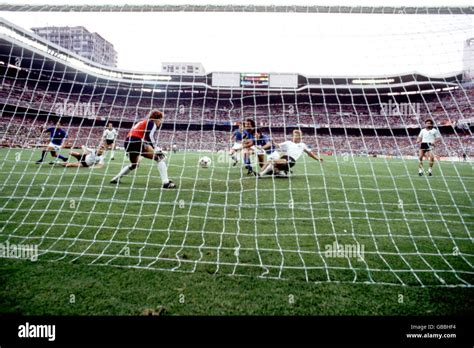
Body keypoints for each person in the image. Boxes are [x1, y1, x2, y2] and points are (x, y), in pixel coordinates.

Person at [110, 109, 176, 189]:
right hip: (137, 141)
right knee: (159, 157)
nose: (161, 122)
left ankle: (115, 179)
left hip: (128, 142)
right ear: (157, 118)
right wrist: (156, 149)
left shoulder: (142, 122)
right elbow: (149, 136)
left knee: (134, 164)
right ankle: (166, 183)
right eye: (161, 119)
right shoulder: (152, 122)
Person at [258, 129, 323, 178]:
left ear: (300, 137)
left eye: (297, 136)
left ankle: (261, 174)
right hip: (283, 158)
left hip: (291, 160)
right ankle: (281, 173)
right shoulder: (288, 142)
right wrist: (272, 142)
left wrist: (318, 158)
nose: (295, 137)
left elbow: (310, 153)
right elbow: (277, 145)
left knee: (272, 161)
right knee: (273, 163)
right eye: (294, 135)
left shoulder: (302, 145)